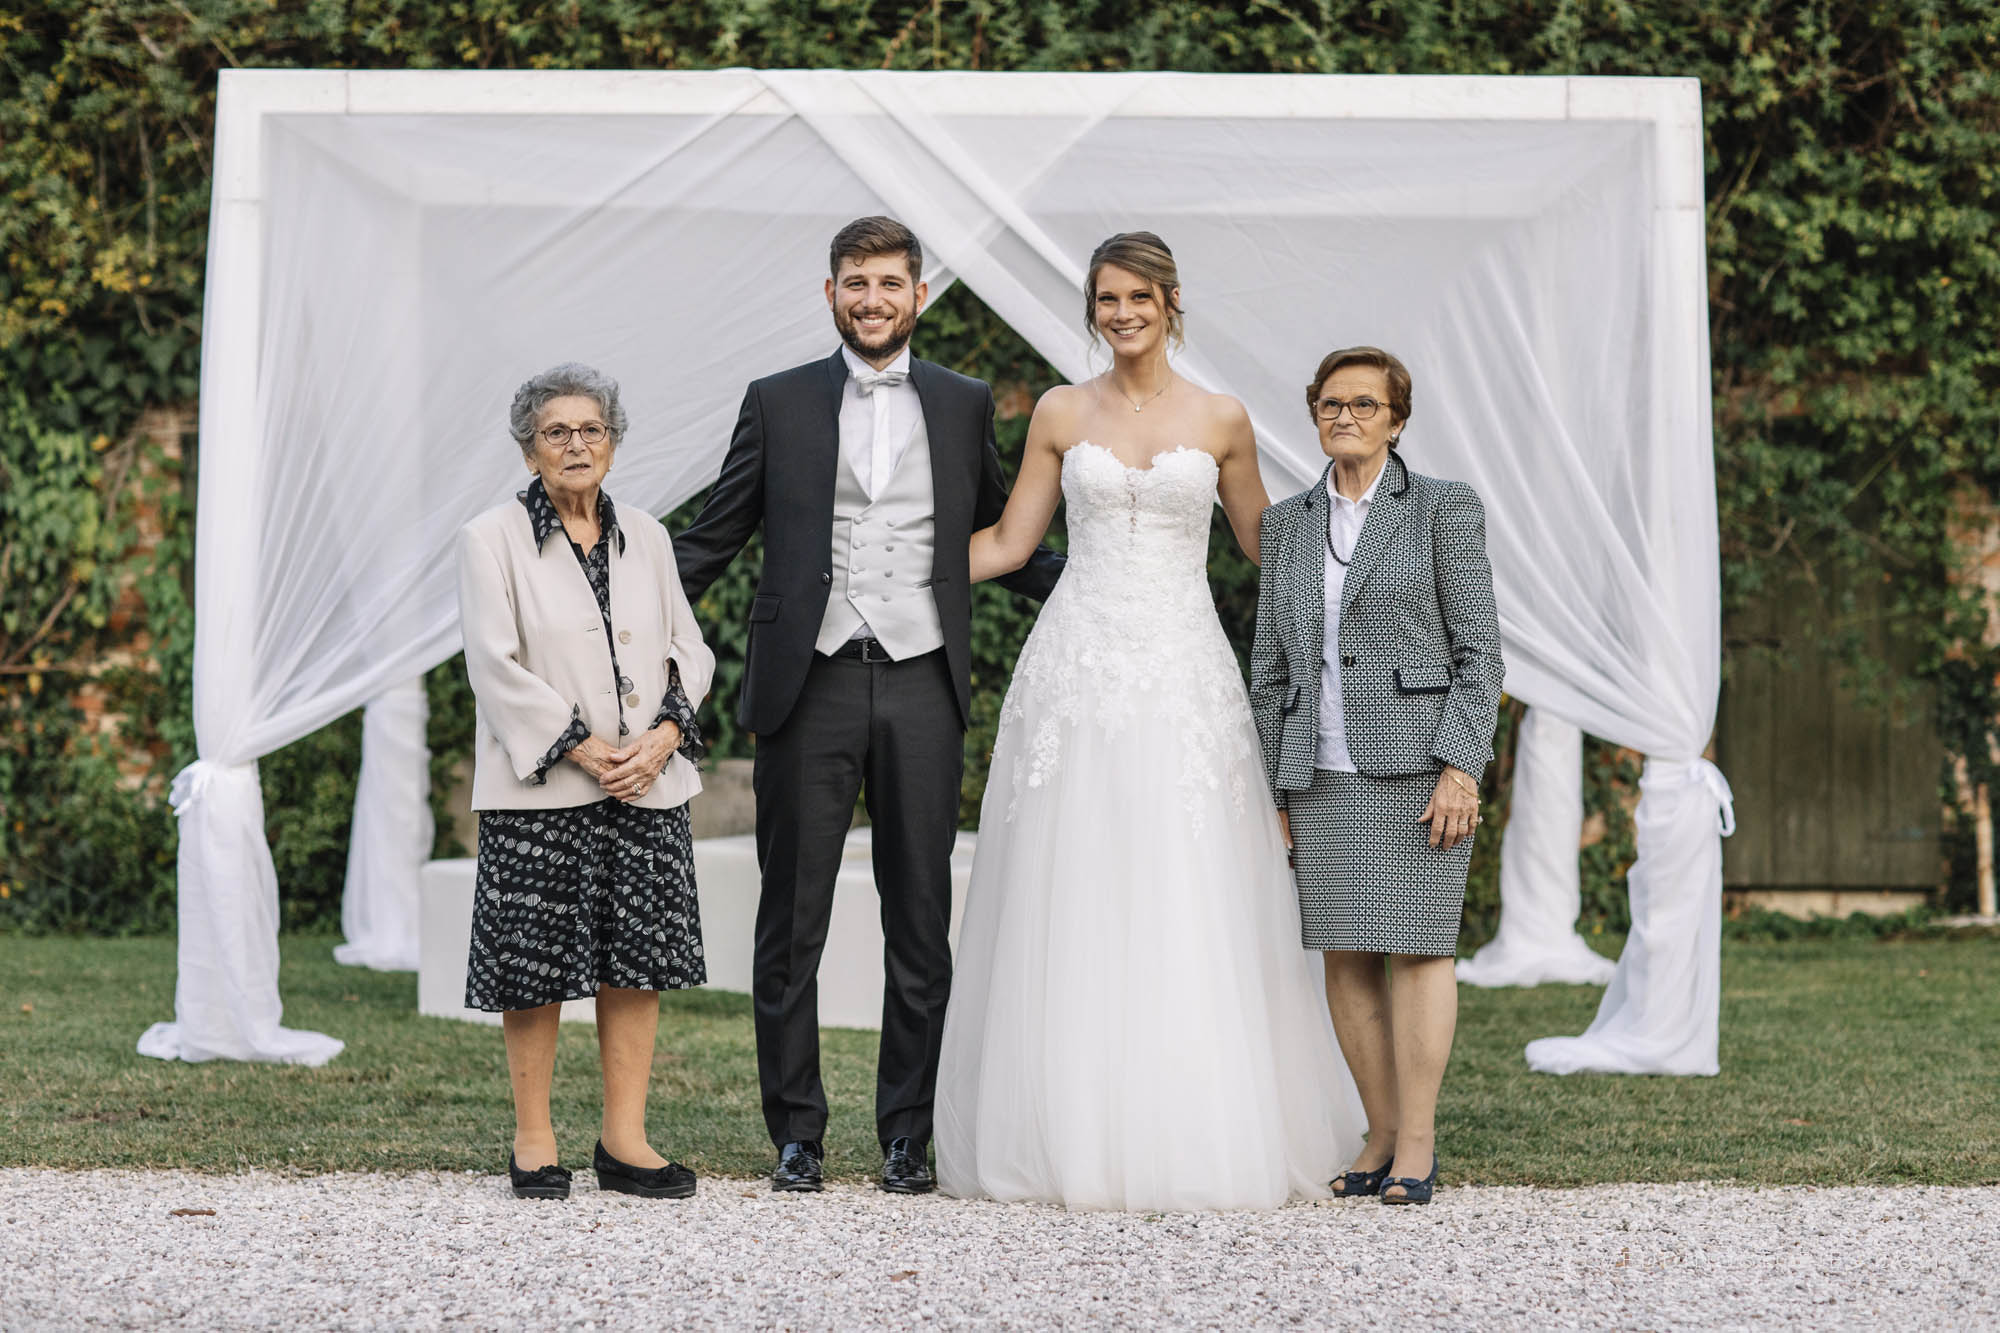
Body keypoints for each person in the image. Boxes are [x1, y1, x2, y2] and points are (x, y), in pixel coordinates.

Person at [933, 231, 1363, 1211]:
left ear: (1170, 302)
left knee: (1185, 881)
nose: (1120, 313)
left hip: (1180, 664)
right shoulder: (1057, 409)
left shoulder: (1219, 417)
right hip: (1074, 670)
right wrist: (890, 567)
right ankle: (1065, 1130)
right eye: (1105, 298)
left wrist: (1359, 527)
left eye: (1137, 297)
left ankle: (1194, 1127)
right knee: (1069, 882)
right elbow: (1006, 542)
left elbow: (1263, 542)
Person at [673, 217, 1064, 1195]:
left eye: (890, 282)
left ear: (917, 294)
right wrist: (605, 593)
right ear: (830, 292)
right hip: (808, 682)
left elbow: (996, 531)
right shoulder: (776, 401)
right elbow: (711, 538)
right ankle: (796, 1131)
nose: (873, 298)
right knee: (789, 918)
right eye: (855, 282)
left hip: (923, 679)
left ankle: (906, 1133)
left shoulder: (963, 401)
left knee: (920, 914)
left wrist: (1107, 582)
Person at [1249, 346, 1504, 1205]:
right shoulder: (1285, 525)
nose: (1345, 415)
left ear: (1397, 419)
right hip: (1317, 767)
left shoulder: (1442, 509)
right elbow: (1270, 670)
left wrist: (1461, 766)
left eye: (1364, 403)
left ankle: (1421, 1140)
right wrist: (1276, 782)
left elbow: (1480, 655)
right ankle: (1381, 1127)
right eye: (1330, 402)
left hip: (1419, 766)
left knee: (1420, 945)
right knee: (1347, 951)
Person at [456, 363, 715, 1201]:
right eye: (556, 432)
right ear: (529, 450)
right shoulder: (489, 537)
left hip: (646, 784)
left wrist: (668, 732)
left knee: (635, 960)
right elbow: (491, 666)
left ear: (613, 441)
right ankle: (535, 1139)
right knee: (531, 966)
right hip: (543, 787)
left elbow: (691, 648)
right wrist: (579, 744)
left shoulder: (648, 531)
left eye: (591, 429)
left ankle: (624, 1139)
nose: (576, 444)